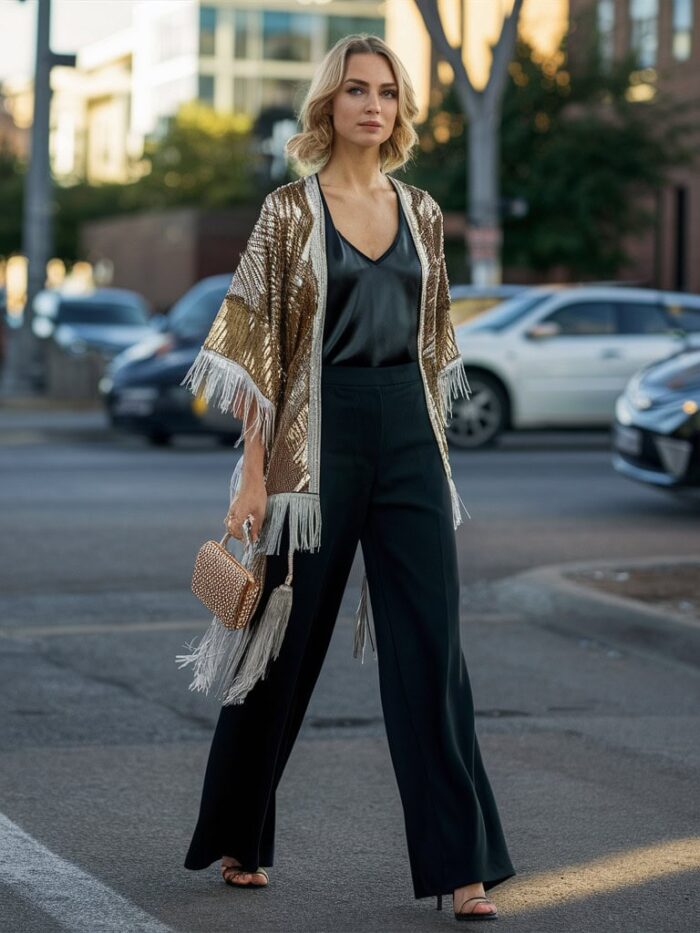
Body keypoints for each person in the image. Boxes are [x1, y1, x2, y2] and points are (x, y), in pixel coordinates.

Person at [177, 33, 516, 922]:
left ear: (401, 109)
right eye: (358, 89)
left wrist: (428, 440)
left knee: (432, 650)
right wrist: (252, 474)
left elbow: (434, 340)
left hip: (408, 433)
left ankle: (464, 864)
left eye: (388, 92)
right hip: (313, 440)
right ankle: (240, 833)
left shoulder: (423, 212)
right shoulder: (289, 211)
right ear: (329, 103)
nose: (374, 105)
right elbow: (260, 350)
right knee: (282, 642)